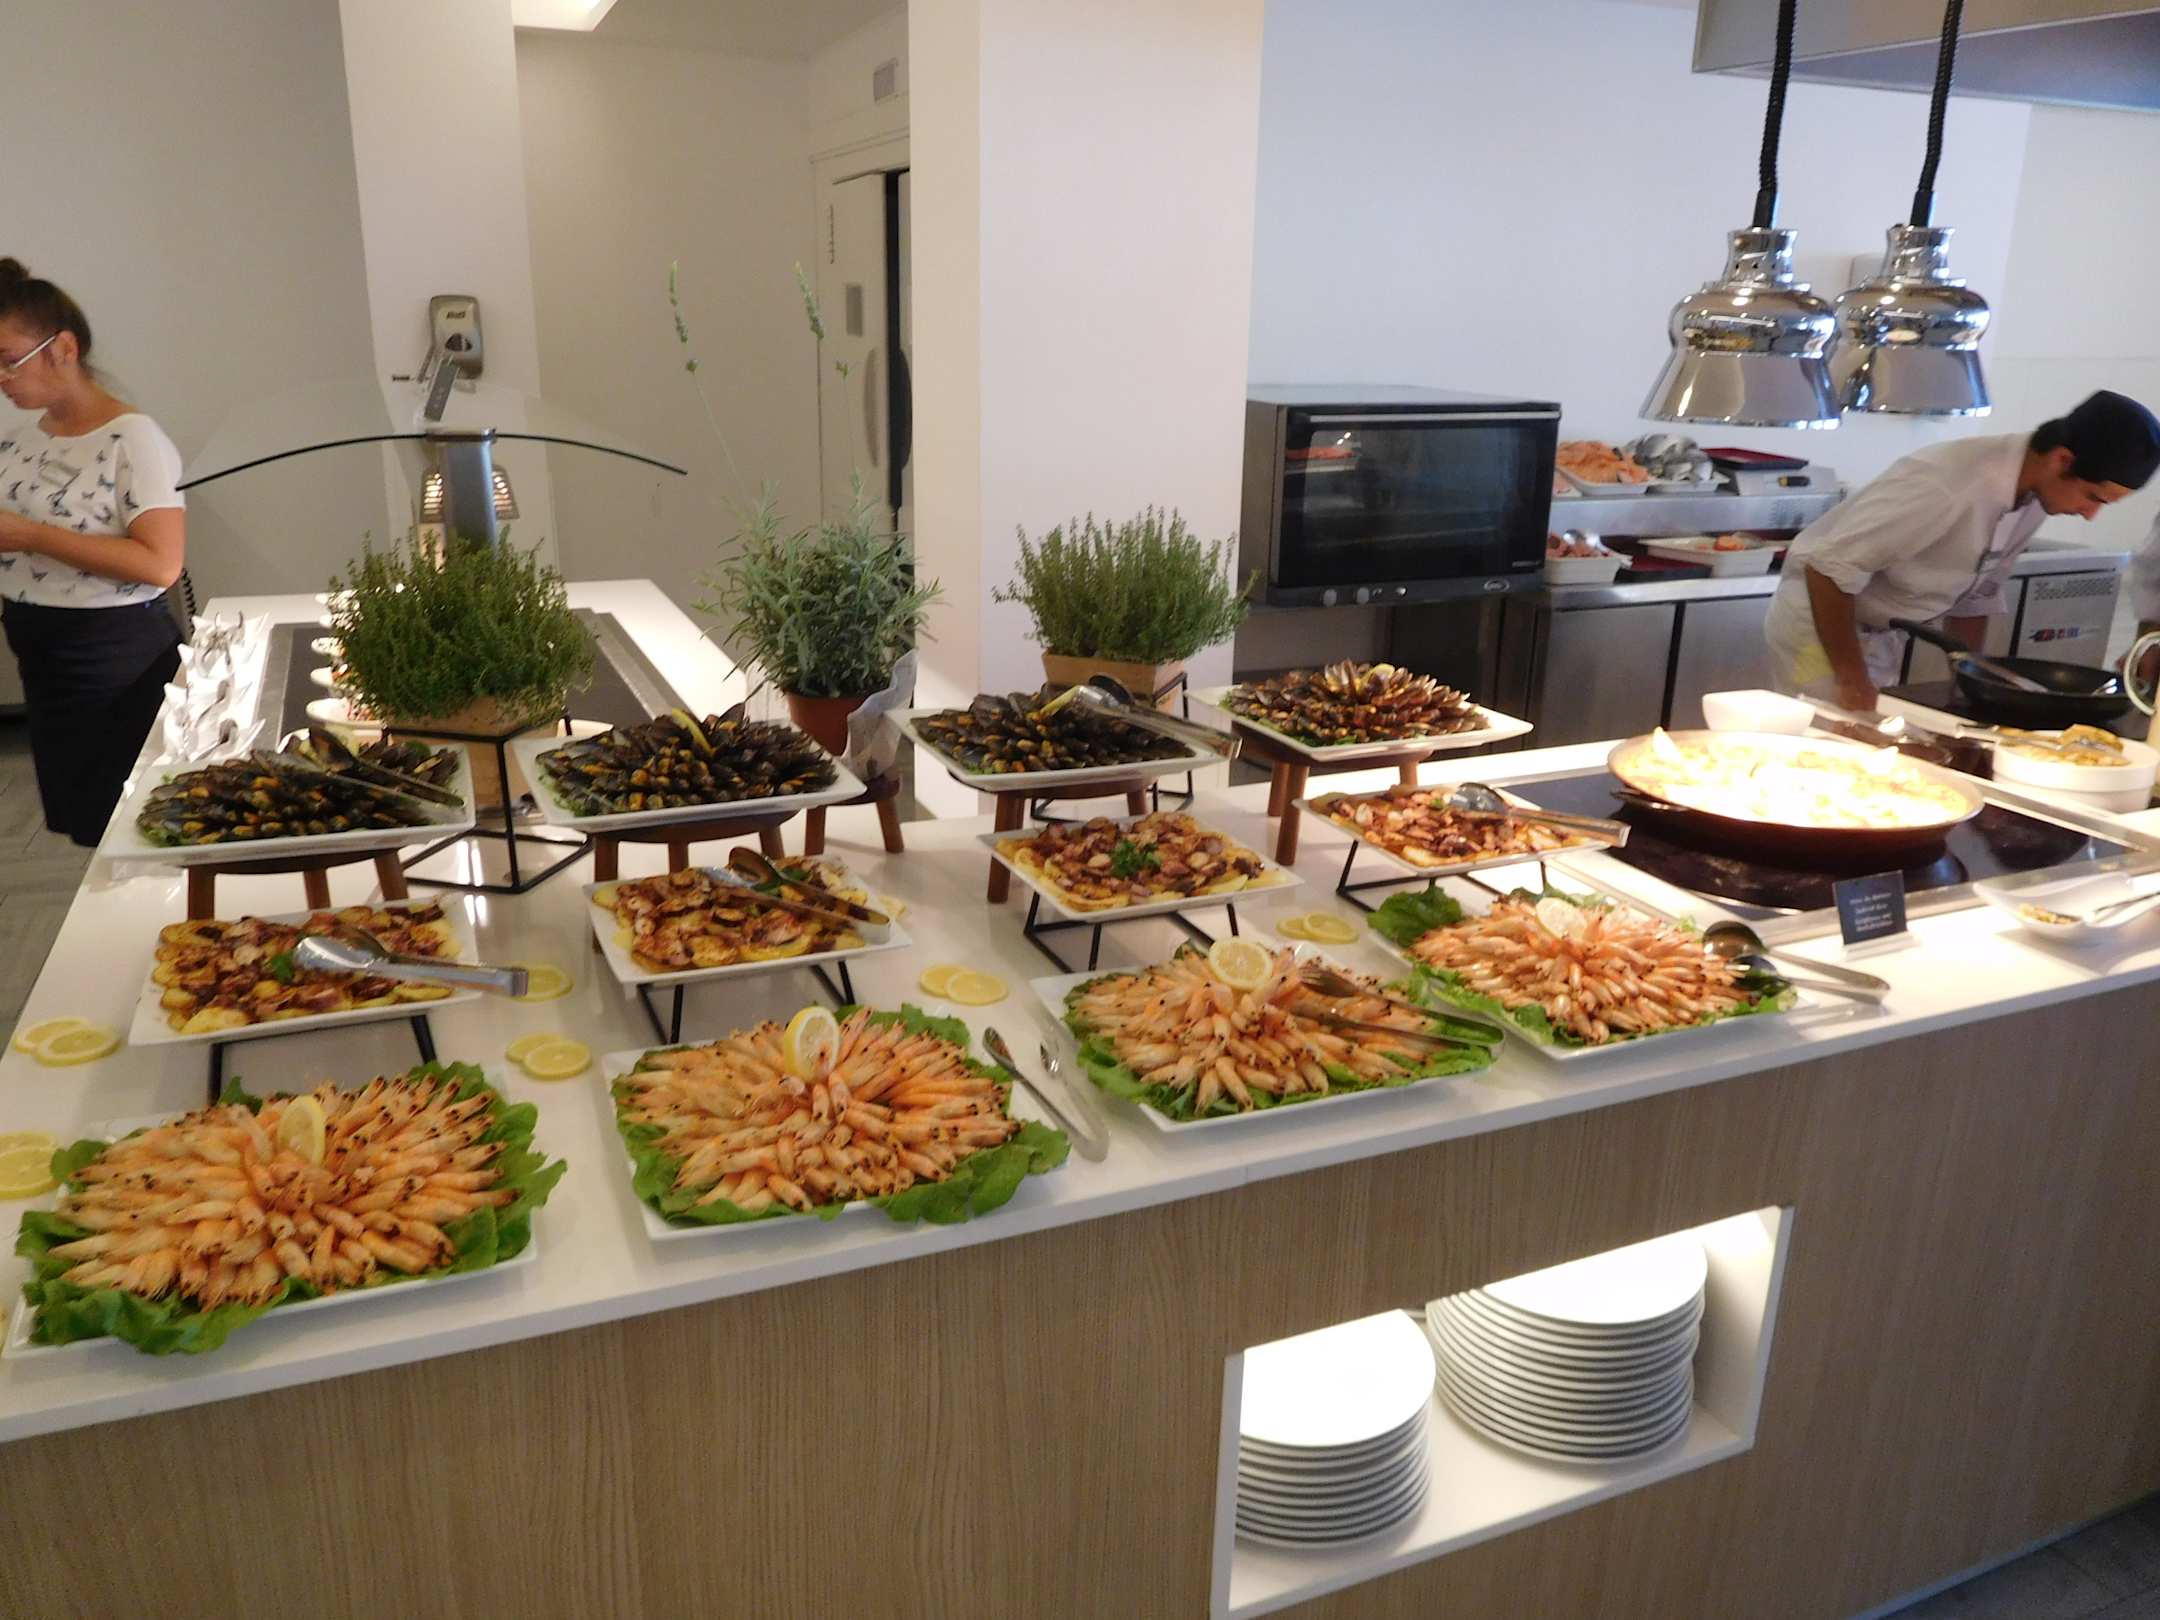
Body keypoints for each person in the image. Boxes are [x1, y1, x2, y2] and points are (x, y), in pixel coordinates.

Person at [1763, 389, 2160, 712]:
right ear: (2061, 460)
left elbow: (1977, 596)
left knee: (1865, 738)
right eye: (2093, 498)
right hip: (1819, 628)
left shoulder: (2034, 493)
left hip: (1878, 633)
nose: (2090, 515)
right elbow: (1828, 569)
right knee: (1829, 743)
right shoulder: (1947, 485)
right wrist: (1852, 678)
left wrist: (1973, 682)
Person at [0, 258, 186, 846]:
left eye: (8, 360)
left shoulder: (133, 439)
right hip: (43, 652)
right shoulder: (22, 439)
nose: (2, 379)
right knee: (89, 822)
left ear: (63, 349)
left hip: (113, 658)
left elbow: (161, 564)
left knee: (135, 823)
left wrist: (32, 536)